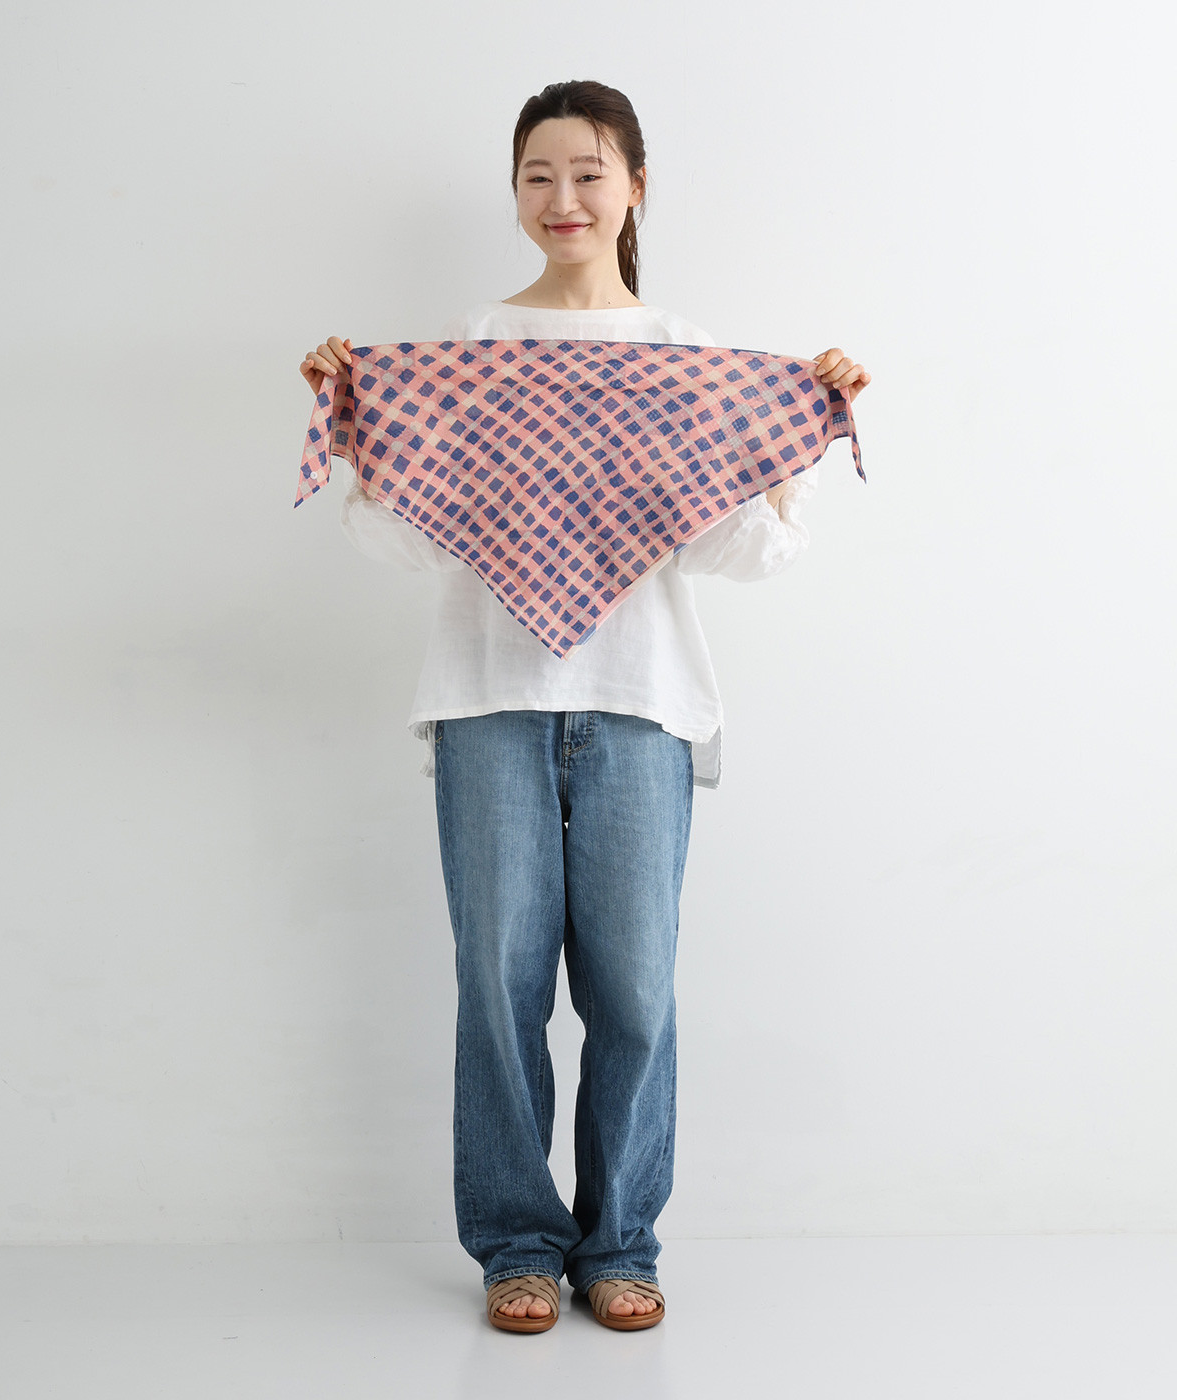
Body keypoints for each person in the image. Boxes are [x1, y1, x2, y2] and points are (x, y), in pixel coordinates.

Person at [298, 79, 870, 1334]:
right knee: (498, 988)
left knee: (638, 993)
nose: (563, 198)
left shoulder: (688, 357)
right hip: (487, 699)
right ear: (514, 192)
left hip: (641, 704)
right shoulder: (466, 348)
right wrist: (360, 431)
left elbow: (733, 554)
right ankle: (515, 1241)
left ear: (636, 188)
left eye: (589, 172)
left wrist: (797, 447)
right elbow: (410, 547)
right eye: (538, 175)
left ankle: (621, 1242)